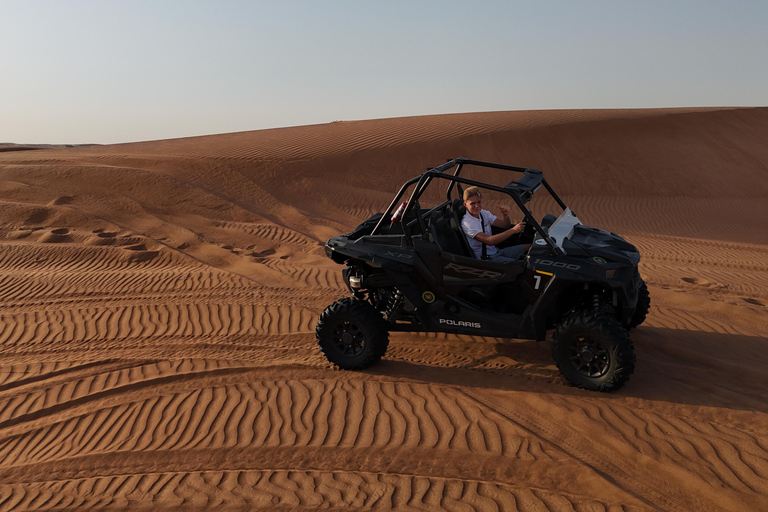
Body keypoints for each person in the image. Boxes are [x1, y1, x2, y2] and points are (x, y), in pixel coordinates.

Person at [460, 186, 529, 262]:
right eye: (472, 203)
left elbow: (505, 225)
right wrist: (513, 230)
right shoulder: (467, 223)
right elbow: (489, 241)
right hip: (487, 259)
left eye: (479, 202)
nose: (477, 206)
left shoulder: (484, 213)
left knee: (529, 247)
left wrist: (505, 215)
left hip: (497, 251)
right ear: (465, 205)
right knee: (521, 266)